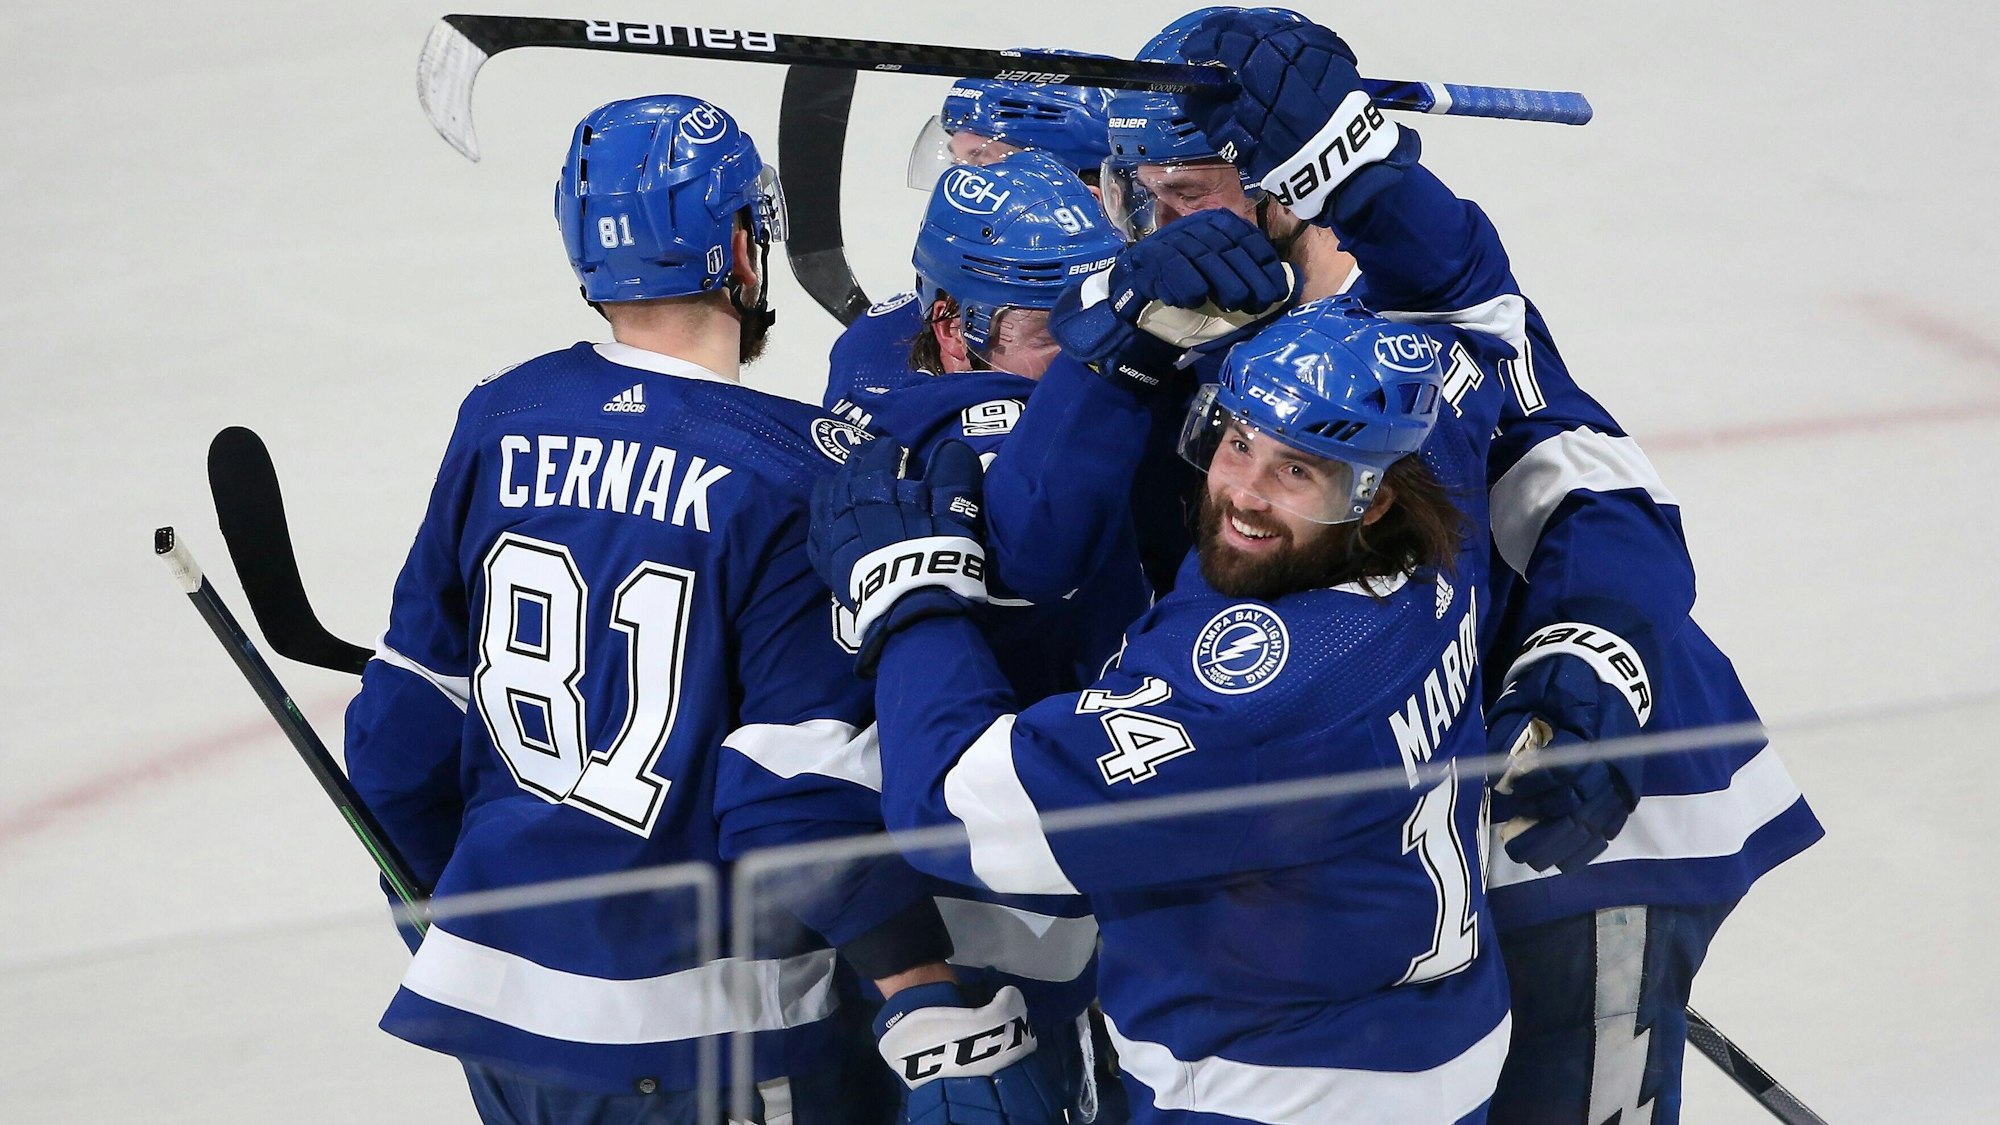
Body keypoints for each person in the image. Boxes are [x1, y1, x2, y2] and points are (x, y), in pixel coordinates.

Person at [1073, 9, 1825, 1122]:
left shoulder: (1419, 319)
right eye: (1137, 195)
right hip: (1401, 858)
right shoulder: (1209, 325)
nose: (1155, 225)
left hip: (1578, 808)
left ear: (1282, 189)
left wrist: (1589, 660)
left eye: (1185, 193)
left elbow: (1595, 495)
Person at [342, 93, 1059, 1125]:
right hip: (705, 1035)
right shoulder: (802, 469)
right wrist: (918, 982)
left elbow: (402, 723)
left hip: (493, 1008)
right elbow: (790, 791)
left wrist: (448, 912)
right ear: (742, 248)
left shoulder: (502, 414)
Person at [811, 297, 1520, 1123]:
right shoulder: (1438, 516)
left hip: (1281, 1088)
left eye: (1297, 471)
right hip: (1434, 1031)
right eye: (1240, 442)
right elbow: (1473, 306)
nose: (1245, 494)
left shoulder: (1260, 694)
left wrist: (911, 593)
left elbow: (955, 811)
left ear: (1375, 498)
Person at [825, 67, 1115, 415]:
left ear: (1090, 195)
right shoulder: (877, 343)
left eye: (982, 165)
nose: (961, 186)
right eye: (956, 162)